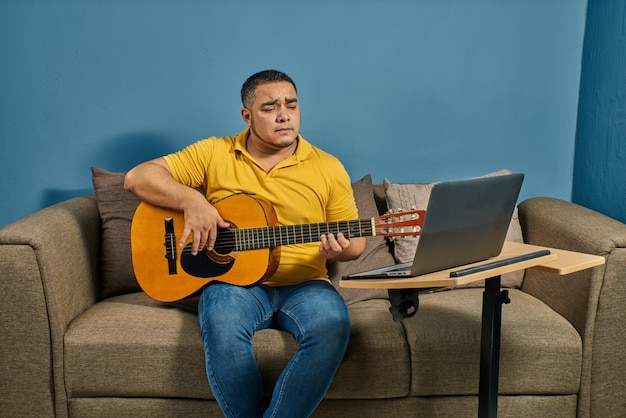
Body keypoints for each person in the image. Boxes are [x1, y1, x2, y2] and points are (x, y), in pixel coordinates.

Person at [124, 69, 366, 417]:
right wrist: (193, 202)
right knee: (222, 326)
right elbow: (137, 178)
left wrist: (339, 248)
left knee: (333, 327)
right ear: (247, 116)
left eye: (291, 105)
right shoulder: (214, 152)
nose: (284, 115)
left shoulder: (328, 167)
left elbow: (356, 244)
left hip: (306, 284)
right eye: (270, 107)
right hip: (235, 285)